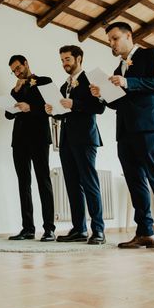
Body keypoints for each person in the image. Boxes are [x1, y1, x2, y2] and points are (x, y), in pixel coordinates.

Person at [90, 22, 154, 253]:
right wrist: (103, 95)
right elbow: (120, 102)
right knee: (135, 183)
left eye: (115, 38)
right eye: (109, 40)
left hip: (147, 128)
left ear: (129, 36)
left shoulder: (151, 54)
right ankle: (145, 233)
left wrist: (128, 82)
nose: (111, 43)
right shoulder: (118, 68)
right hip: (125, 131)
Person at [45, 45, 106, 245]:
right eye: (62, 60)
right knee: (72, 185)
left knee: (90, 183)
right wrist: (52, 109)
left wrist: (75, 105)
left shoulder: (91, 80)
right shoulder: (64, 86)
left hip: (86, 138)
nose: (64, 64)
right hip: (66, 140)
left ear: (79, 58)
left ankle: (98, 230)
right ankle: (79, 229)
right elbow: (63, 112)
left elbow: (99, 107)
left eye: (67, 59)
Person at [5, 55, 56, 242]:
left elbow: (54, 107)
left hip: (39, 138)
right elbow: (8, 114)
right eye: (14, 71)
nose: (17, 73)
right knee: (23, 183)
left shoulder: (44, 81)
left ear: (26, 63)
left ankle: (49, 229)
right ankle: (28, 228)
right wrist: (15, 92)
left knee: (43, 181)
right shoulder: (16, 88)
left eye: (18, 68)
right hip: (19, 140)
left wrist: (31, 108)